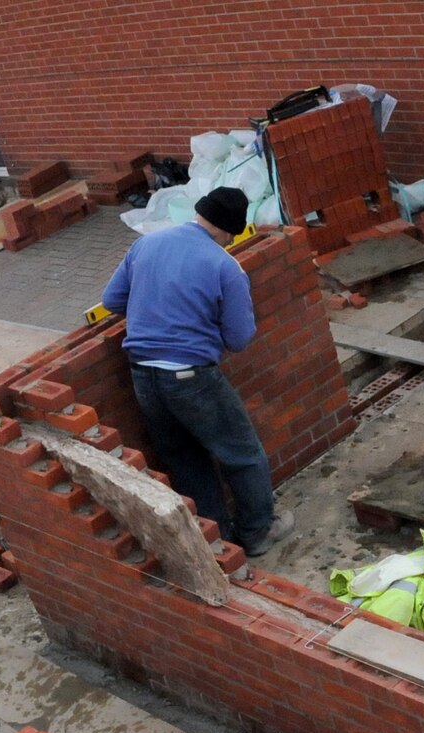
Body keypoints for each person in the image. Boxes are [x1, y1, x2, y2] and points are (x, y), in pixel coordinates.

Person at [100, 186, 295, 557]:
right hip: (191, 376)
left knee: (184, 460)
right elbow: (239, 338)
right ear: (228, 231)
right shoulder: (224, 265)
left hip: (143, 375)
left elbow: (112, 301)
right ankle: (256, 532)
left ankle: (218, 543)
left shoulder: (147, 244)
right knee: (242, 452)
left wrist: (156, 311)